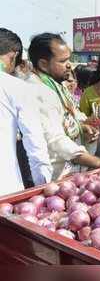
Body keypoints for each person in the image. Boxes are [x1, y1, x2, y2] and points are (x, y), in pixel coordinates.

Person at [27, 32, 100, 180]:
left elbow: (68, 114)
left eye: (69, 59)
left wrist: (83, 125)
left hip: (69, 169)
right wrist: (98, 161)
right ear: (43, 64)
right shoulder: (37, 90)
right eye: (63, 61)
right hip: (55, 175)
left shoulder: (55, 84)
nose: (69, 65)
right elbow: (56, 140)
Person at [0, 28, 52, 194]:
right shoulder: (17, 87)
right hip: (5, 191)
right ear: (14, 55)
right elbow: (35, 142)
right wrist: (43, 187)